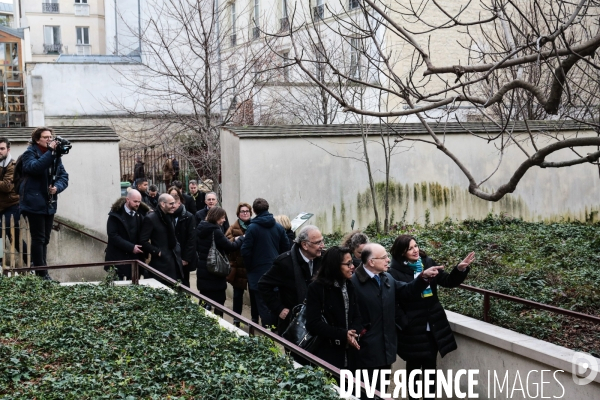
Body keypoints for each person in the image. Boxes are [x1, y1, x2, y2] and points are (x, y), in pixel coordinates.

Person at [389, 235, 475, 399]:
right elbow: (403, 294)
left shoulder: (427, 262)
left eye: (416, 246)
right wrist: (404, 322)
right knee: (413, 368)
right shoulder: (394, 272)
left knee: (430, 368)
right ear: (401, 253)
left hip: (432, 325)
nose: (415, 250)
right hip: (412, 328)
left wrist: (460, 269)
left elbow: (448, 281)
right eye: (410, 248)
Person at [352, 243, 442, 393]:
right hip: (365, 350)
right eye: (384, 257)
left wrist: (422, 278)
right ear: (371, 262)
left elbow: (406, 291)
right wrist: (362, 332)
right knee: (365, 391)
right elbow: (350, 313)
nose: (388, 260)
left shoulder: (387, 278)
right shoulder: (354, 283)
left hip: (386, 348)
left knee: (381, 390)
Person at [20, 127, 69, 280]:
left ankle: (42, 271)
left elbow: (63, 176)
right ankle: (42, 273)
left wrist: (57, 188)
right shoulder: (29, 153)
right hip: (34, 202)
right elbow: (34, 168)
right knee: (38, 238)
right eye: (46, 137)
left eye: (51, 137)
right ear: (37, 140)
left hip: (49, 203)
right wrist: (50, 153)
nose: (50, 139)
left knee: (45, 239)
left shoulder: (54, 155)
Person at [257, 224, 322, 333]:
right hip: (293, 324)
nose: (322, 245)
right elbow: (263, 284)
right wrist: (279, 308)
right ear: (305, 245)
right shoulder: (285, 262)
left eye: (322, 241)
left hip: (317, 321)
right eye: (318, 243)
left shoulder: (323, 259)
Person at [305, 246, 362, 369]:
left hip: (351, 353)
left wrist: (353, 333)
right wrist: (343, 334)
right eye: (348, 264)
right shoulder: (317, 288)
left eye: (352, 262)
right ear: (335, 266)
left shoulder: (350, 285)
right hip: (327, 354)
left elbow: (357, 315)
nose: (352, 267)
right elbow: (313, 323)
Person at [241, 198, 289, 328]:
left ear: (254, 211)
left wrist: (249, 267)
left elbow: (245, 251)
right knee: (275, 302)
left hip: (257, 271)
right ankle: (275, 329)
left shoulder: (252, 228)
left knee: (262, 304)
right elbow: (286, 248)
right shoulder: (278, 227)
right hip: (275, 270)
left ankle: (268, 331)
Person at [196, 206, 244, 317]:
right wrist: (241, 238)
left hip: (203, 269)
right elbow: (230, 247)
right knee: (219, 303)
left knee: (204, 300)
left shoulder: (202, 227)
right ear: (216, 217)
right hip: (215, 272)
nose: (224, 220)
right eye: (222, 218)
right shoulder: (215, 231)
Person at [225, 202, 258, 326]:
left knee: (254, 294)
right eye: (242, 211)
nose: (245, 213)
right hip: (238, 266)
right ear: (238, 214)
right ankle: (236, 318)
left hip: (252, 265)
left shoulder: (255, 225)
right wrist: (237, 239)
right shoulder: (233, 227)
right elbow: (227, 241)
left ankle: (254, 319)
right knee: (238, 294)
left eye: (247, 211)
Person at [139, 193, 184, 284]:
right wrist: (157, 252)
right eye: (171, 204)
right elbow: (143, 241)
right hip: (160, 264)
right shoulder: (151, 218)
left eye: (174, 203)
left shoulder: (169, 216)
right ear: (163, 204)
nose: (174, 206)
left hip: (173, 260)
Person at [104, 189, 148, 280]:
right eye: (135, 201)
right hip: (118, 257)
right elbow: (113, 235)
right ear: (127, 200)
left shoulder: (142, 214)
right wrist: (131, 247)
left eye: (139, 202)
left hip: (135, 258)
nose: (137, 204)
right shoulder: (115, 215)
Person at [168, 186, 197, 288]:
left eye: (173, 203)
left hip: (183, 256)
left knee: (184, 283)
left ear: (179, 201)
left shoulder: (188, 217)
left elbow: (191, 239)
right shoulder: (167, 216)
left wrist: (186, 258)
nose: (171, 206)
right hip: (170, 256)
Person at [0, 137, 21, 258]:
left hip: (12, 205)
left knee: (4, 229)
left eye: (2, 149)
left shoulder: (12, 165)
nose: (0, 151)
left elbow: (7, 186)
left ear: (8, 149)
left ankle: (34, 264)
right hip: (1, 205)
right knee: (15, 237)